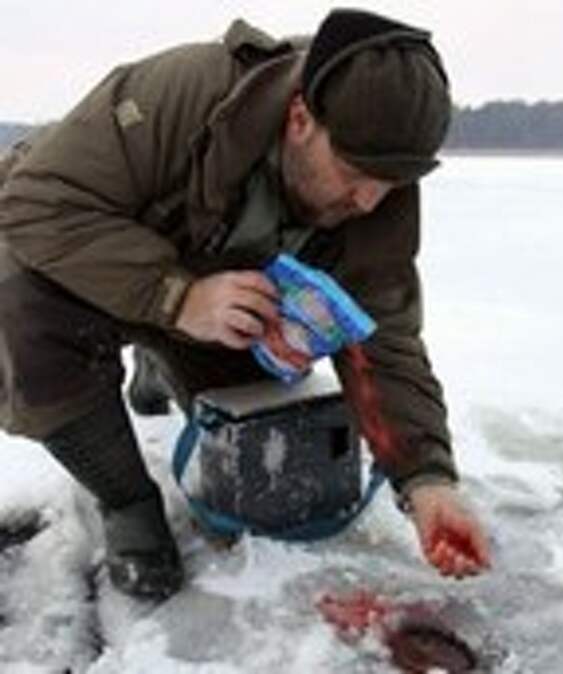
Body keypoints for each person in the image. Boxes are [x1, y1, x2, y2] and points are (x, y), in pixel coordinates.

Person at [0, 9, 490, 600]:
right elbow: (35, 203)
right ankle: (126, 498)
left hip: (215, 291)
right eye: (355, 173)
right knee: (27, 317)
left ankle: (164, 359)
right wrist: (175, 299)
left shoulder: (379, 189)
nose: (368, 201)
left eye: (391, 183)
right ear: (301, 118)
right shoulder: (184, 93)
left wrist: (426, 478)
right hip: (77, 251)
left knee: (265, 442)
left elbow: (383, 337)